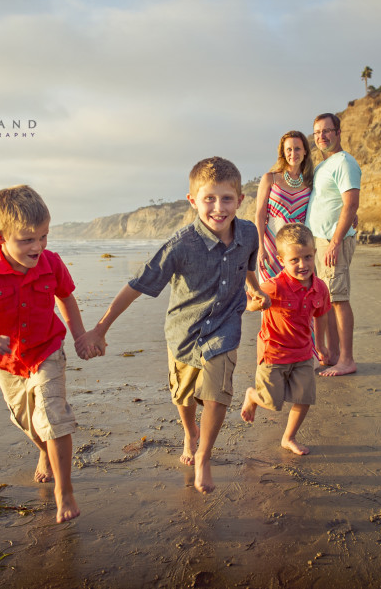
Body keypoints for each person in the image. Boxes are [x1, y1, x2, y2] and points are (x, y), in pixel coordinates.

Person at [79, 156, 270, 493]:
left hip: (225, 329)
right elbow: (137, 285)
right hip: (183, 334)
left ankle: (204, 457)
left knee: (217, 394)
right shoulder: (181, 245)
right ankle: (190, 433)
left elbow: (248, 266)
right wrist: (100, 328)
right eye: (209, 198)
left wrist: (255, 292)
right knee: (182, 396)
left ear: (240, 200)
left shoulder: (249, 233)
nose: (218, 207)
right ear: (192, 200)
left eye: (227, 198)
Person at [0, 185, 88, 523]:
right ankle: (44, 453)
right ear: (0, 236)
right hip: (7, 364)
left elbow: (65, 298)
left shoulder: (51, 262)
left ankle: (64, 490)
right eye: (27, 239)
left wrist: (81, 336)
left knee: (54, 417)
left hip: (47, 350)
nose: (38, 246)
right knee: (29, 423)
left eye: (44, 236)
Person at [241, 223, 330, 455]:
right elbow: (248, 302)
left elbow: (321, 316)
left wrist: (320, 346)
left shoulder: (320, 288)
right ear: (282, 260)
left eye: (308, 257)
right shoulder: (273, 286)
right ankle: (252, 395)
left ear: (314, 254)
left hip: (303, 353)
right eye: (295, 260)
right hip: (274, 354)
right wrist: (256, 303)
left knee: (304, 398)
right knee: (271, 402)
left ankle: (288, 438)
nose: (303, 265)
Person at [305, 112, 361, 377]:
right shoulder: (322, 166)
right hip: (318, 242)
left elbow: (351, 203)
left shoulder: (344, 162)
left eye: (326, 131)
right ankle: (333, 354)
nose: (321, 136)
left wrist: (336, 242)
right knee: (324, 302)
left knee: (338, 299)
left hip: (332, 241)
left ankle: (347, 360)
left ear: (338, 133)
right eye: (317, 133)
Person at [254, 130, 314, 283]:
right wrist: (260, 247)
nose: (293, 153)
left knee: (297, 292)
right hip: (271, 245)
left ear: (305, 151)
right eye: (289, 149)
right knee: (270, 292)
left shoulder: (311, 182)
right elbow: (260, 215)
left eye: (297, 148)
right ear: (283, 152)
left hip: (298, 246)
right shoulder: (270, 178)